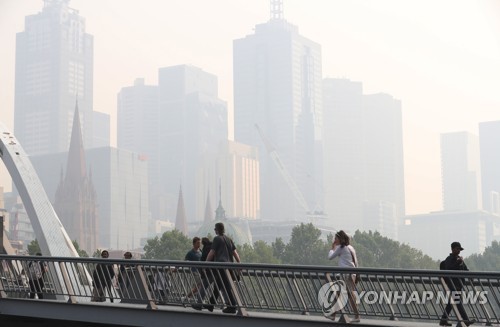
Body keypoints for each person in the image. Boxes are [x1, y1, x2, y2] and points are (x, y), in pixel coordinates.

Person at [206, 222, 241, 314]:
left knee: (226, 286)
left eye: (215, 229)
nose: (214, 231)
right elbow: (235, 253)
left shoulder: (217, 239)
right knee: (218, 285)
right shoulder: (229, 239)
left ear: (217, 230)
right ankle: (211, 304)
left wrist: (205, 263)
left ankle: (232, 306)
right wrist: (239, 263)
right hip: (229, 266)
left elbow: (212, 252)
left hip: (221, 266)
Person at [439, 242, 476, 326]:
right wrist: (458, 262)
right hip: (452, 285)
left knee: (451, 303)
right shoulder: (449, 259)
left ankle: (443, 320)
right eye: (457, 249)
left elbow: (465, 269)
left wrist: (471, 276)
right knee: (457, 301)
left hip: (459, 285)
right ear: (452, 249)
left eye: (459, 249)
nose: (459, 250)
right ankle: (466, 320)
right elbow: (449, 268)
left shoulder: (460, 259)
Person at [327, 230, 360, 323]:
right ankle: (333, 315)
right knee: (341, 294)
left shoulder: (341, 247)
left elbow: (330, 257)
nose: (335, 240)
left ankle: (357, 316)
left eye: (336, 238)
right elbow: (355, 262)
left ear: (340, 238)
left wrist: (332, 248)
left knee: (347, 295)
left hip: (346, 274)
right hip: (352, 273)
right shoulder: (351, 247)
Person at [189, 237, 216, 312]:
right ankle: (231, 304)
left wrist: (203, 269)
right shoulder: (213, 246)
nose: (200, 244)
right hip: (217, 271)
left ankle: (199, 303)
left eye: (200, 243)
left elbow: (203, 259)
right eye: (198, 243)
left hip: (208, 272)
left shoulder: (205, 249)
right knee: (220, 288)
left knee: (203, 286)